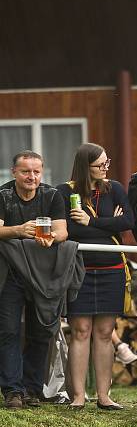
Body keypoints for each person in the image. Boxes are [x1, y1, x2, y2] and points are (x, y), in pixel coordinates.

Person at [56, 144, 134, 410]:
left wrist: (93, 223)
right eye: (100, 164)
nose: (105, 168)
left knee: (104, 332)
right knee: (81, 331)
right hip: (80, 269)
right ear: (84, 166)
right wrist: (107, 222)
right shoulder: (64, 192)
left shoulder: (115, 189)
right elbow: (69, 230)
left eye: (106, 163)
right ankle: (78, 396)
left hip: (112, 269)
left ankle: (104, 396)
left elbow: (128, 222)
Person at [0, 151, 68, 409]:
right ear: (14, 172)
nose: (32, 177)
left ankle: (31, 388)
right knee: (8, 330)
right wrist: (18, 230)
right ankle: (12, 390)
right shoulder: (3, 195)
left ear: (42, 172)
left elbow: (63, 230)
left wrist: (52, 238)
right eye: (26, 171)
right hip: (10, 274)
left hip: (43, 275)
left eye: (36, 171)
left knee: (41, 331)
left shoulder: (52, 195)